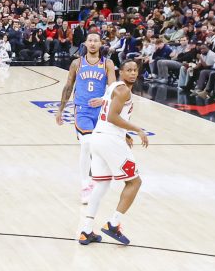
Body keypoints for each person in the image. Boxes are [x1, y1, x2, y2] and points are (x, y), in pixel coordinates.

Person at [79, 60, 149, 246]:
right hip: (110, 140)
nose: (133, 73)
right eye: (129, 70)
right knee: (134, 182)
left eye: (135, 70)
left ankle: (86, 230)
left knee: (101, 186)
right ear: (121, 72)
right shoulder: (123, 90)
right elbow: (112, 116)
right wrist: (137, 129)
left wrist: (124, 133)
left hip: (99, 138)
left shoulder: (114, 87)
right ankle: (113, 223)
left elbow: (111, 113)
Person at [57, 33, 116, 204]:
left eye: (95, 40)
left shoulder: (108, 64)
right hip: (82, 110)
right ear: (85, 43)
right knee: (87, 143)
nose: (92, 43)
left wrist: (104, 99)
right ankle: (85, 185)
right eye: (90, 40)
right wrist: (60, 109)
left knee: (98, 148)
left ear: (100, 44)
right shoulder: (77, 63)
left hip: (101, 111)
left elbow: (113, 89)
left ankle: (96, 178)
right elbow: (68, 87)